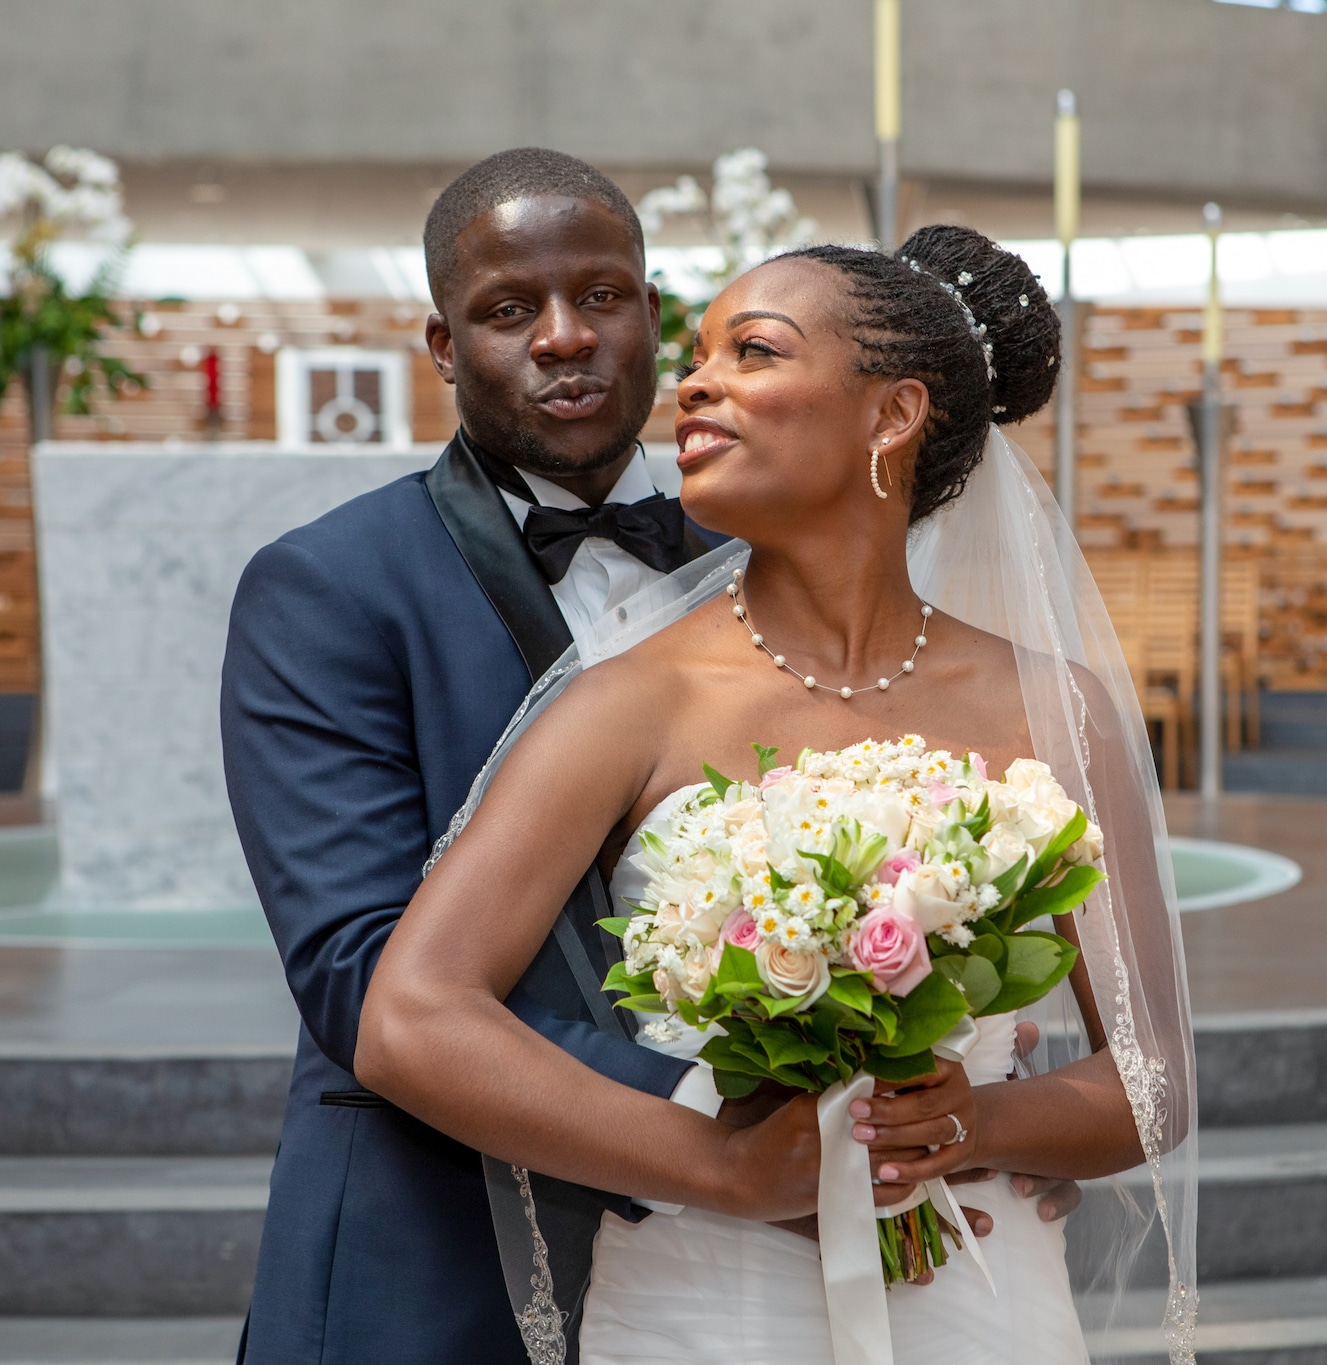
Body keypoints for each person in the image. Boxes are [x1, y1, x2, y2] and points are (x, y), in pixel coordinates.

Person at [356, 226, 1200, 1364]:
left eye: (752, 351)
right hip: (703, 1297)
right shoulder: (629, 702)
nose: (693, 382)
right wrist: (723, 1167)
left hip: (982, 1290)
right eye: (697, 353)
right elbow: (411, 1019)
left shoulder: (1056, 709)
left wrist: (965, 1122)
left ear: (891, 415)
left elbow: (1147, 1079)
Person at [220, 148, 726, 1364]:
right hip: (436, 1236)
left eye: (601, 296)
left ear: (650, 318)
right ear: (444, 347)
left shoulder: (753, 562)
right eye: (508, 311)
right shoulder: (330, 587)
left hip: (730, 1271)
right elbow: (359, 970)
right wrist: (720, 1129)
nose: (563, 337)